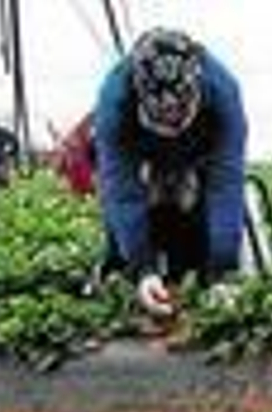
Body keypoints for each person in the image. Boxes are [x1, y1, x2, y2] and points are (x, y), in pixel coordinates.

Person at [93, 29, 248, 318]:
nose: (171, 122)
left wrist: (222, 269)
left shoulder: (223, 92)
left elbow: (226, 184)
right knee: (128, 225)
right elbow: (121, 189)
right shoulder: (113, 101)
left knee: (197, 217)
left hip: (198, 151)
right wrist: (141, 267)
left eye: (178, 113)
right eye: (162, 115)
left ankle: (197, 271)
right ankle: (126, 274)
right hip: (143, 151)